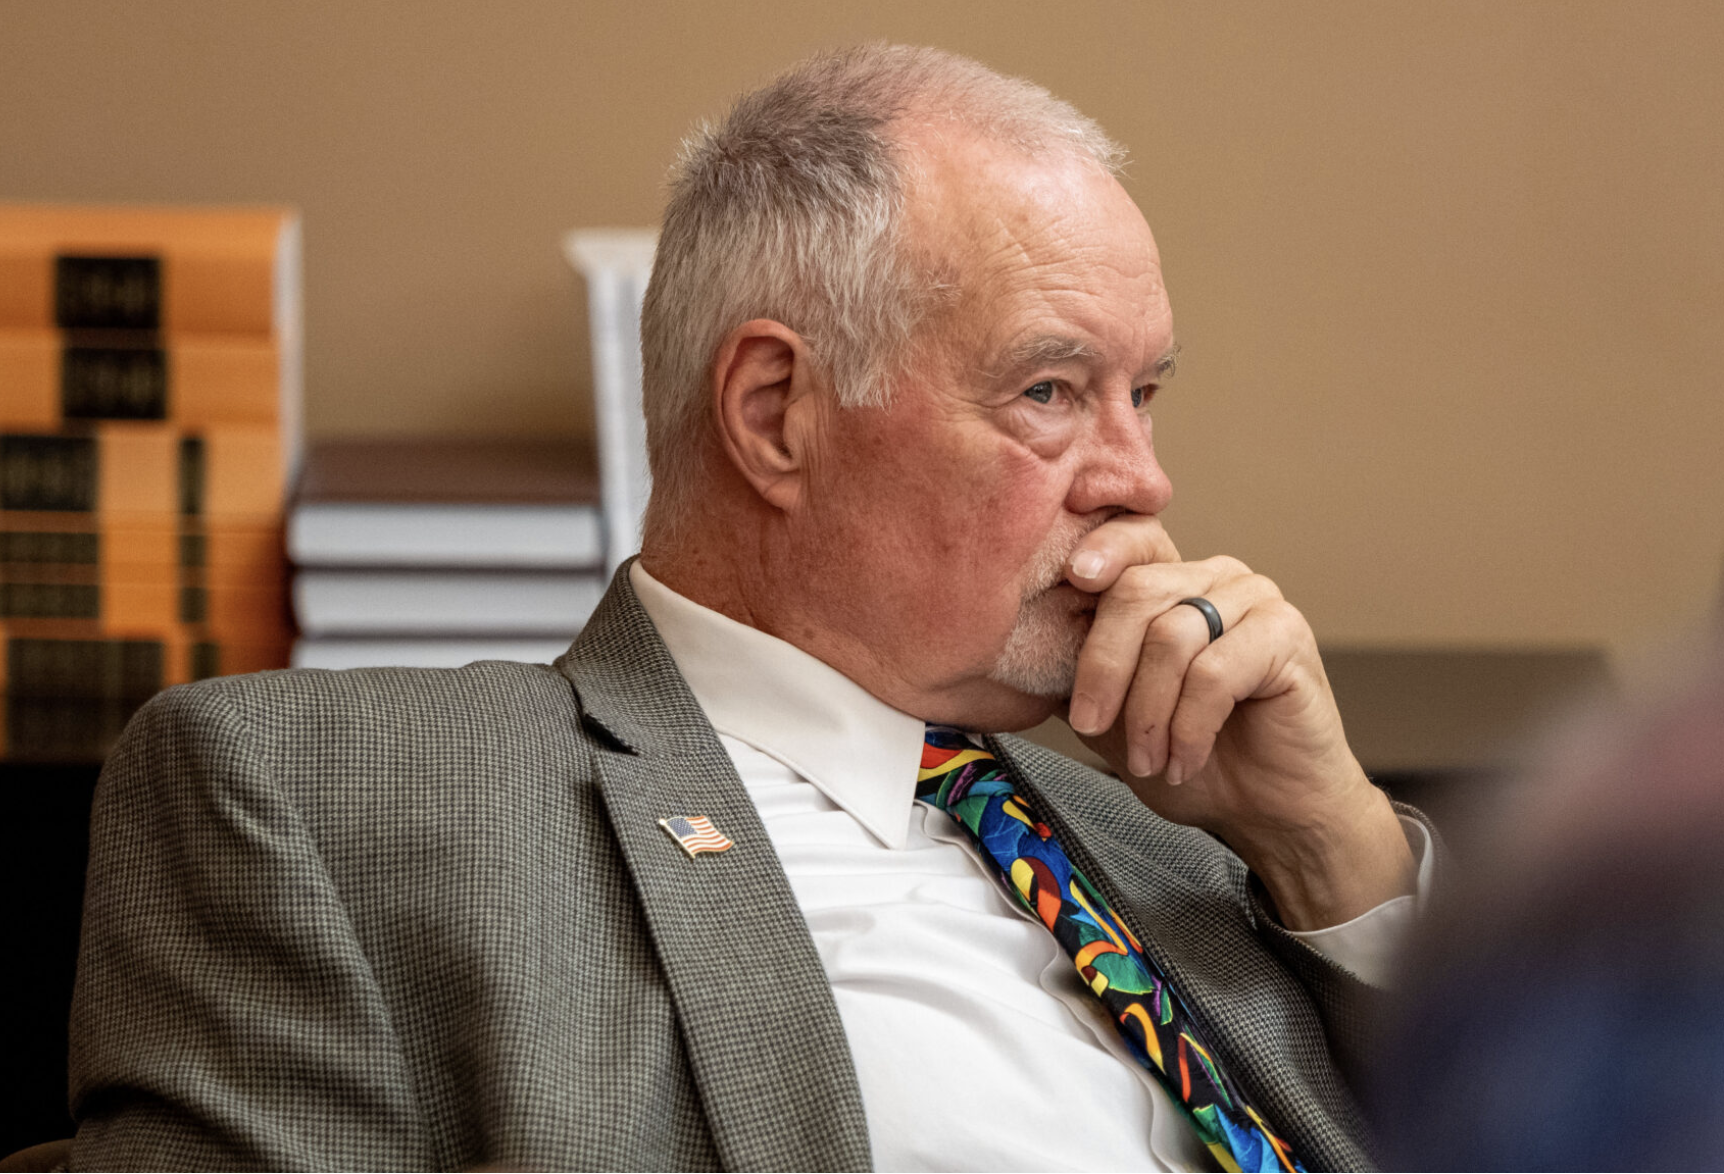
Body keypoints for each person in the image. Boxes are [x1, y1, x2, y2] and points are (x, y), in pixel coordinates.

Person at [68, 45, 1436, 1172]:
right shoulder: (326, 794)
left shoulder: (1186, 841)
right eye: (1050, 392)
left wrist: (1335, 850)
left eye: (1143, 395)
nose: (1142, 479)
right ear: (777, 414)